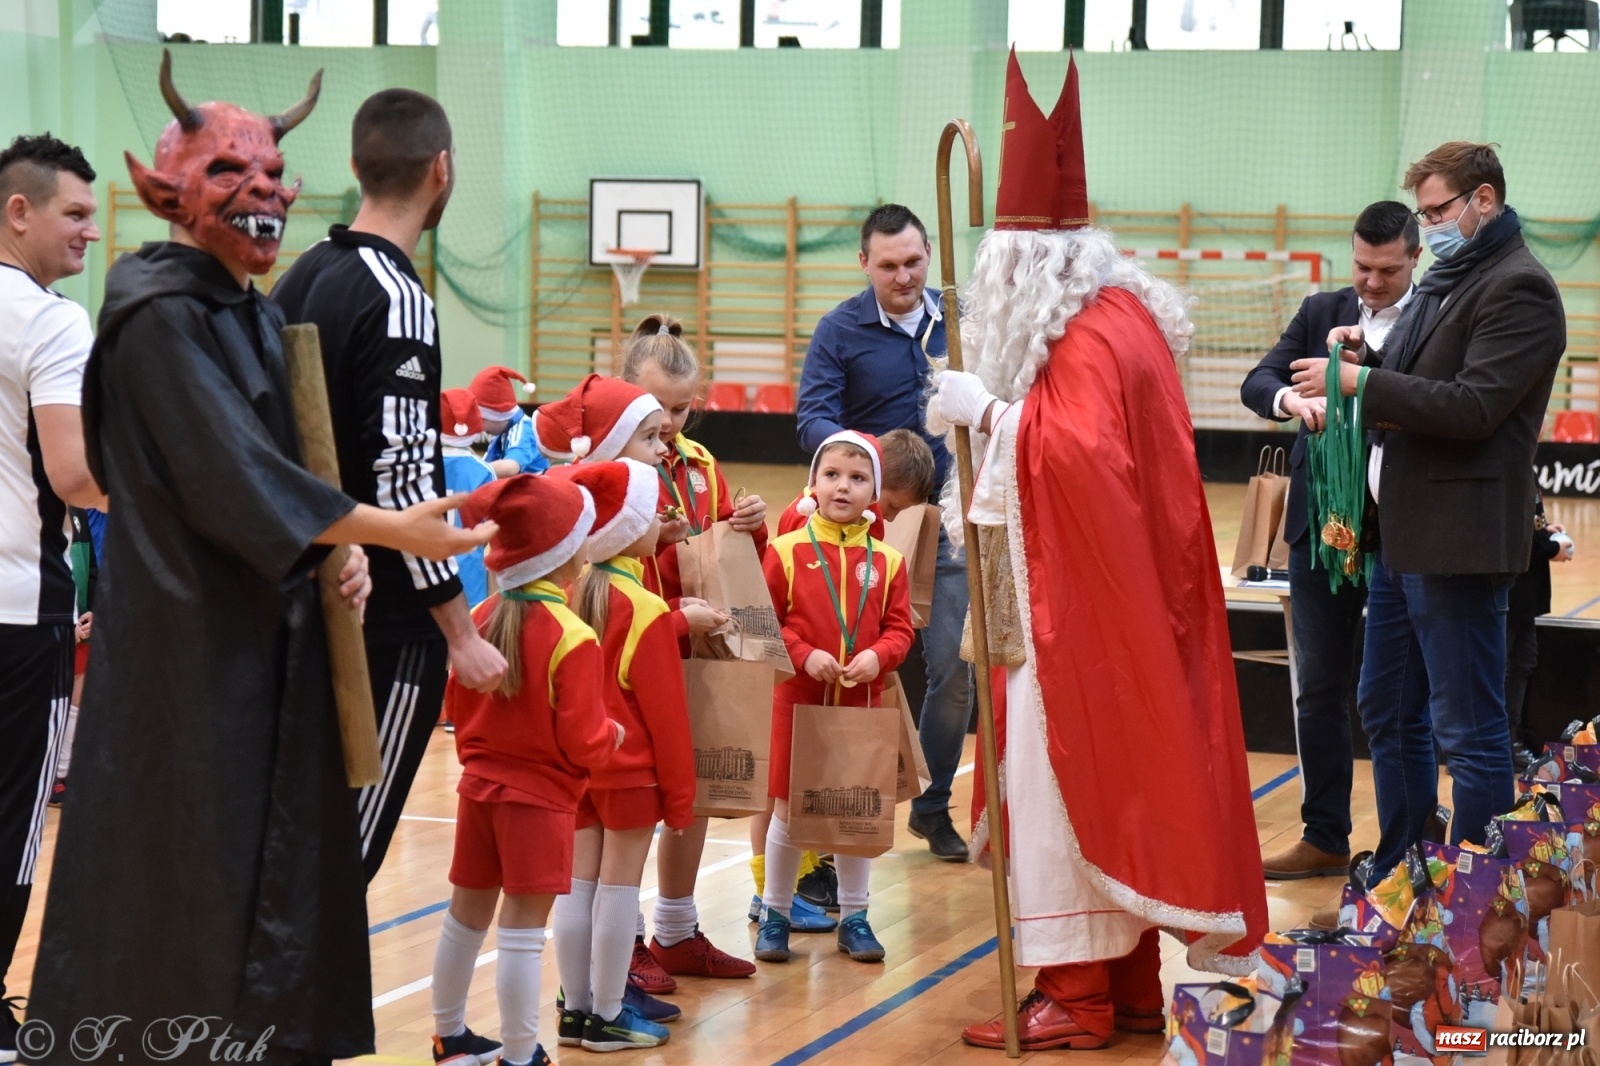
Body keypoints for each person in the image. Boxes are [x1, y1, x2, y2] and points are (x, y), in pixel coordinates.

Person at [26, 55, 494, 1065]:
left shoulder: (253, 307)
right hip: (189, 661)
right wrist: (377, 529)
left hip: (264, 647)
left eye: (275, 174)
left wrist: (339, 554)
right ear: (170, 195)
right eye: (235, 175)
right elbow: (230, 479)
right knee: (187, 886)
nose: (267, 194)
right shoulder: (157, 316)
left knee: (272, 886)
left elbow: (286, 462)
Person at [934, 54, 1267, 1050]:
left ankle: (1072, 996)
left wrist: (988, 411)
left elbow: (1078, 456)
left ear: (1023, 269)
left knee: (1054, 786)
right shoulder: (1119, 311)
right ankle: (1123, 986)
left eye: (996, 265)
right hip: (1118, 599)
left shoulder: (1077, 337)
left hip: (1074, 615)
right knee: (1109, 783)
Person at [1291, 141, 1567, 885]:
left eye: (1439, 210)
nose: (1431, 224)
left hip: (1459, 541)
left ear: (1483, 200)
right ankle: (1408, 866)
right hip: (1403, 537)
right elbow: (1416, 383)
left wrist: (1357, 384)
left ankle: (1475, 898)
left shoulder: (1520, 287)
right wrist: (1370, 365)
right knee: (1386, 708)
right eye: (1425, 212)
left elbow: (1475, 406)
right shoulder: (1454, 275)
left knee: (1470, 732)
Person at [273, 88, 508, 888]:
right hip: (385, 626)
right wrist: (457, 631)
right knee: (340, 866)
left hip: (299, 600)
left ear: (353, 167)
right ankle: (299, 1017)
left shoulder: (301, 277)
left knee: (293, 845)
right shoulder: (398, 297)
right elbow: (403, 472)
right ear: (441, 169)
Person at [1238, 201, 1420, 880]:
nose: (1370, 282)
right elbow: (1258, 381)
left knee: (1402, 695)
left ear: (1414, 259)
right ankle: (1324, 836)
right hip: (1320, 532)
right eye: (1362, 267)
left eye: (1386, 270)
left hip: (1399, 531)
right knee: (1318, 685)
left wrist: (1364, 370)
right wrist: (1295, 402)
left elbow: (1427, 397)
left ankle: (1413, 837)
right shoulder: (1321, 310)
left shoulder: (1431, 318)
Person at [796, 203, 972, 862]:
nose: (904, 276)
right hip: (863, 532)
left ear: (929, 255)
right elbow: (812, 417)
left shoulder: (963, 321)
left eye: (914, 262)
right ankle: (837, 825)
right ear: (863, 263)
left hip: (951, 524)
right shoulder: (838, 330)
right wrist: (866, 466)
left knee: (954, 672)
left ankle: (932, 808)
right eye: (889, 265)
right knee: (851, 673)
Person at [429, 474, 621, 1066]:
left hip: (477, 789)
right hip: (539, 801)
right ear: (565, 554)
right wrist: (610, 738)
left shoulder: (478, 616)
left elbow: (454, 708)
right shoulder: (573, 634)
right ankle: (518, 1055)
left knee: (464, 917)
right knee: (519, 931)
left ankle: (449, 1037)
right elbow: (584, 739)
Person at [0, 132, 104, 1056]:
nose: (92, 232)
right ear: (17, 212)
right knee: (12, 822)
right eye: (75, 213)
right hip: (18, 614)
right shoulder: (51, 320)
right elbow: (75, 476)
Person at [616, 313, 758, 984]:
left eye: (681, 407)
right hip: (630, 649)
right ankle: (627, 939)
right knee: (633, 799)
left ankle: (675, 930)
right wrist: (657, 539)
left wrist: (742, 527)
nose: (671, 421)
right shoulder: (609, 467)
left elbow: (718, 551)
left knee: (691, 791)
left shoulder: (699, 463)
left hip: (692, 647)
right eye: (656, 408)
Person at [753, 430, 915, 965]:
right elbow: (764, 624)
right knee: (786, 810)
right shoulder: (784, 552)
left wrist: (879, 657)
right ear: (813, 485)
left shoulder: (889, 561)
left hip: (860, 704)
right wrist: (802, 654)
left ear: (875, 492)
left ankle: (856, 917)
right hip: (795, 701)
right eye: (832, 475)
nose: (843, 486)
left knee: (854, 811)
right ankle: (775, 913)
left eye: (857, 478)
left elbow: (900, 630)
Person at [549, 459, 694, 1053]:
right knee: (617, 891)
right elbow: (668, 720)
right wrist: (681, 799)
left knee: (577, 887)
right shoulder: (646, 610)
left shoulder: (568, 591)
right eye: (650, 512)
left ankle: (575, 1007)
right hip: (632, 775)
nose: (661, 518)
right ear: (631, 530)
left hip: (579, 770)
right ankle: (609, 1014)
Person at [1506, 488, 1573, 769]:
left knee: (1522, 662)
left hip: (1525, 596)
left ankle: (1514, 738)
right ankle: (1502, 743)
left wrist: (1544, 532)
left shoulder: (1525, 464)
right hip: (1508, 593)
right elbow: (1511, 535)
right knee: (1502, 668)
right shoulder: (1509, 462)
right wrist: (1549, 548)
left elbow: (1526, 526)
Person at [439, 388, 496, 608]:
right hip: (470, 575)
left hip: (428, 568)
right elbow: (490, 532)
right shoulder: (483, 470)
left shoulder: (422, 466)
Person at [471, 365, 547, 477]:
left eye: (483, 419)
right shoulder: (503, 432)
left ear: (497, 415)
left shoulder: (523, 429)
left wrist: (471, 470)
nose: (480, 427)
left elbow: (510, 467)